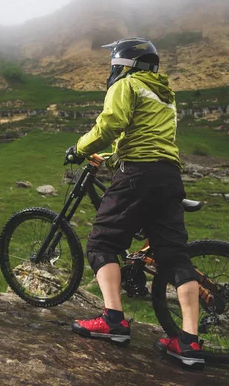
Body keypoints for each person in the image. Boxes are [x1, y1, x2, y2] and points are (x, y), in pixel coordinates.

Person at [64, 37, 204, 368]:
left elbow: (111, 124)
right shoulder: (165, 95)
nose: (112, 68)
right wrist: (113, 156)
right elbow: (147, 138)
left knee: (101, 242)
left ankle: (113, 321)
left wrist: (80, 149)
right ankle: (189, 343)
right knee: (174, 257)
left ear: (124, 63)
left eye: (113, 63)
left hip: (138, 175)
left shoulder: (127, 85)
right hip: (169, 177)